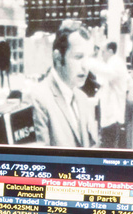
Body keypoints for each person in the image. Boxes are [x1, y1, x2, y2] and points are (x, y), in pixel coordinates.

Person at [27, 20, 97, 148]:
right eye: (78, 57)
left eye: (89, 57)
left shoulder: (82, 98)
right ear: (58, 58)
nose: (86, 66)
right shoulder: (38, 98)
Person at [96, 41, 129, 148]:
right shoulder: (114, 63)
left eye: (103, 52)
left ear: (110, 51)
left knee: (107, 148)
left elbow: (101, 74)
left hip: (112, 117)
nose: (101, 55)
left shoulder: (114, 63)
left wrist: (89, 62)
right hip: (111, 117)